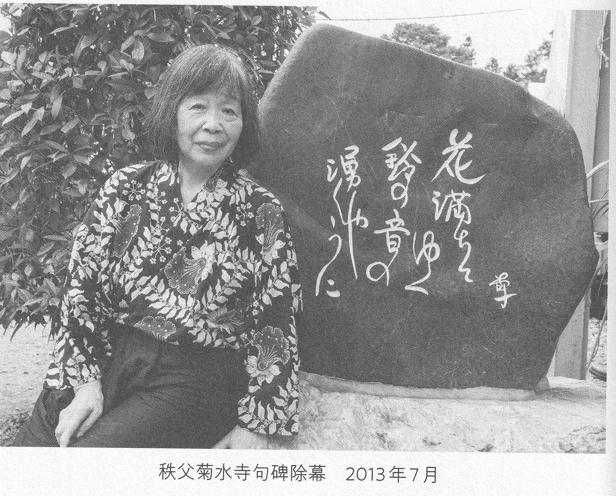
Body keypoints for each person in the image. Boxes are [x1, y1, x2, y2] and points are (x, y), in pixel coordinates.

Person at [14, 44, 302, 448]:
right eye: (198, 107)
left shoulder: (260, 211)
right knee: (31, 451)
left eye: (229, 111)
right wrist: (85, 383)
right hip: (110, 356)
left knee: (86, 466)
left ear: (244, 124)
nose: (213, 125)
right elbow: (82, 292)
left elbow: (276, 322)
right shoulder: (125, 188)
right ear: (172, 112)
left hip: (191, 377)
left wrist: (257, 421)